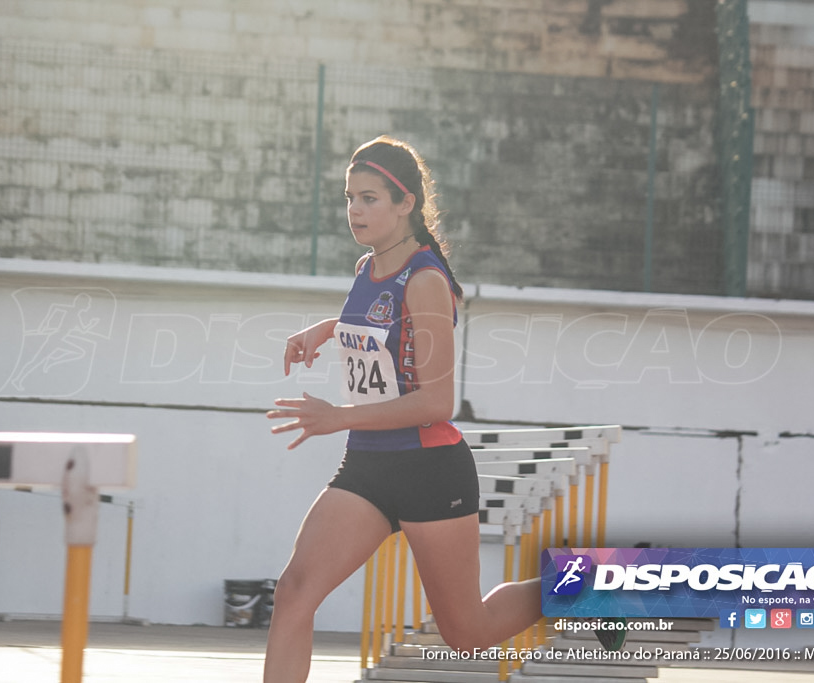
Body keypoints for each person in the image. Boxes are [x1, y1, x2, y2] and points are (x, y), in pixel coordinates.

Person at [263, 136, 615, 682]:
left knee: (466, 632)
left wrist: (338, 416)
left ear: (406, 204)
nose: (355, 210)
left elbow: (436, 402)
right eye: (349, 197)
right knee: (293, 594)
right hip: (367, 469)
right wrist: (327, 329)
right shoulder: (367, 267)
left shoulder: (426, 281)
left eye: (370, 198)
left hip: (429, 469)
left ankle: (586, 583)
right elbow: (379, 324)